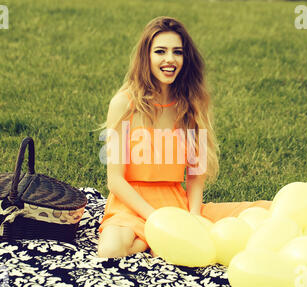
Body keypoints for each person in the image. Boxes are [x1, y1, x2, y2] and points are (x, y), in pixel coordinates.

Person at [97, 16, 271, 258]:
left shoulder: (191, 106)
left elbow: (195, 176)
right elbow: (115, 180)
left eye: (177, 52)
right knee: (110, 250)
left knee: (266, 213)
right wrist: (154, 219)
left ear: (185, 59)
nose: (169, 59)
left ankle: (156, 241)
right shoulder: (123, 104)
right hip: (130, 202)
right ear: (146, 57)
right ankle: (150, 242)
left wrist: (194, 215)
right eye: (160, 51)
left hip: (173, 201)